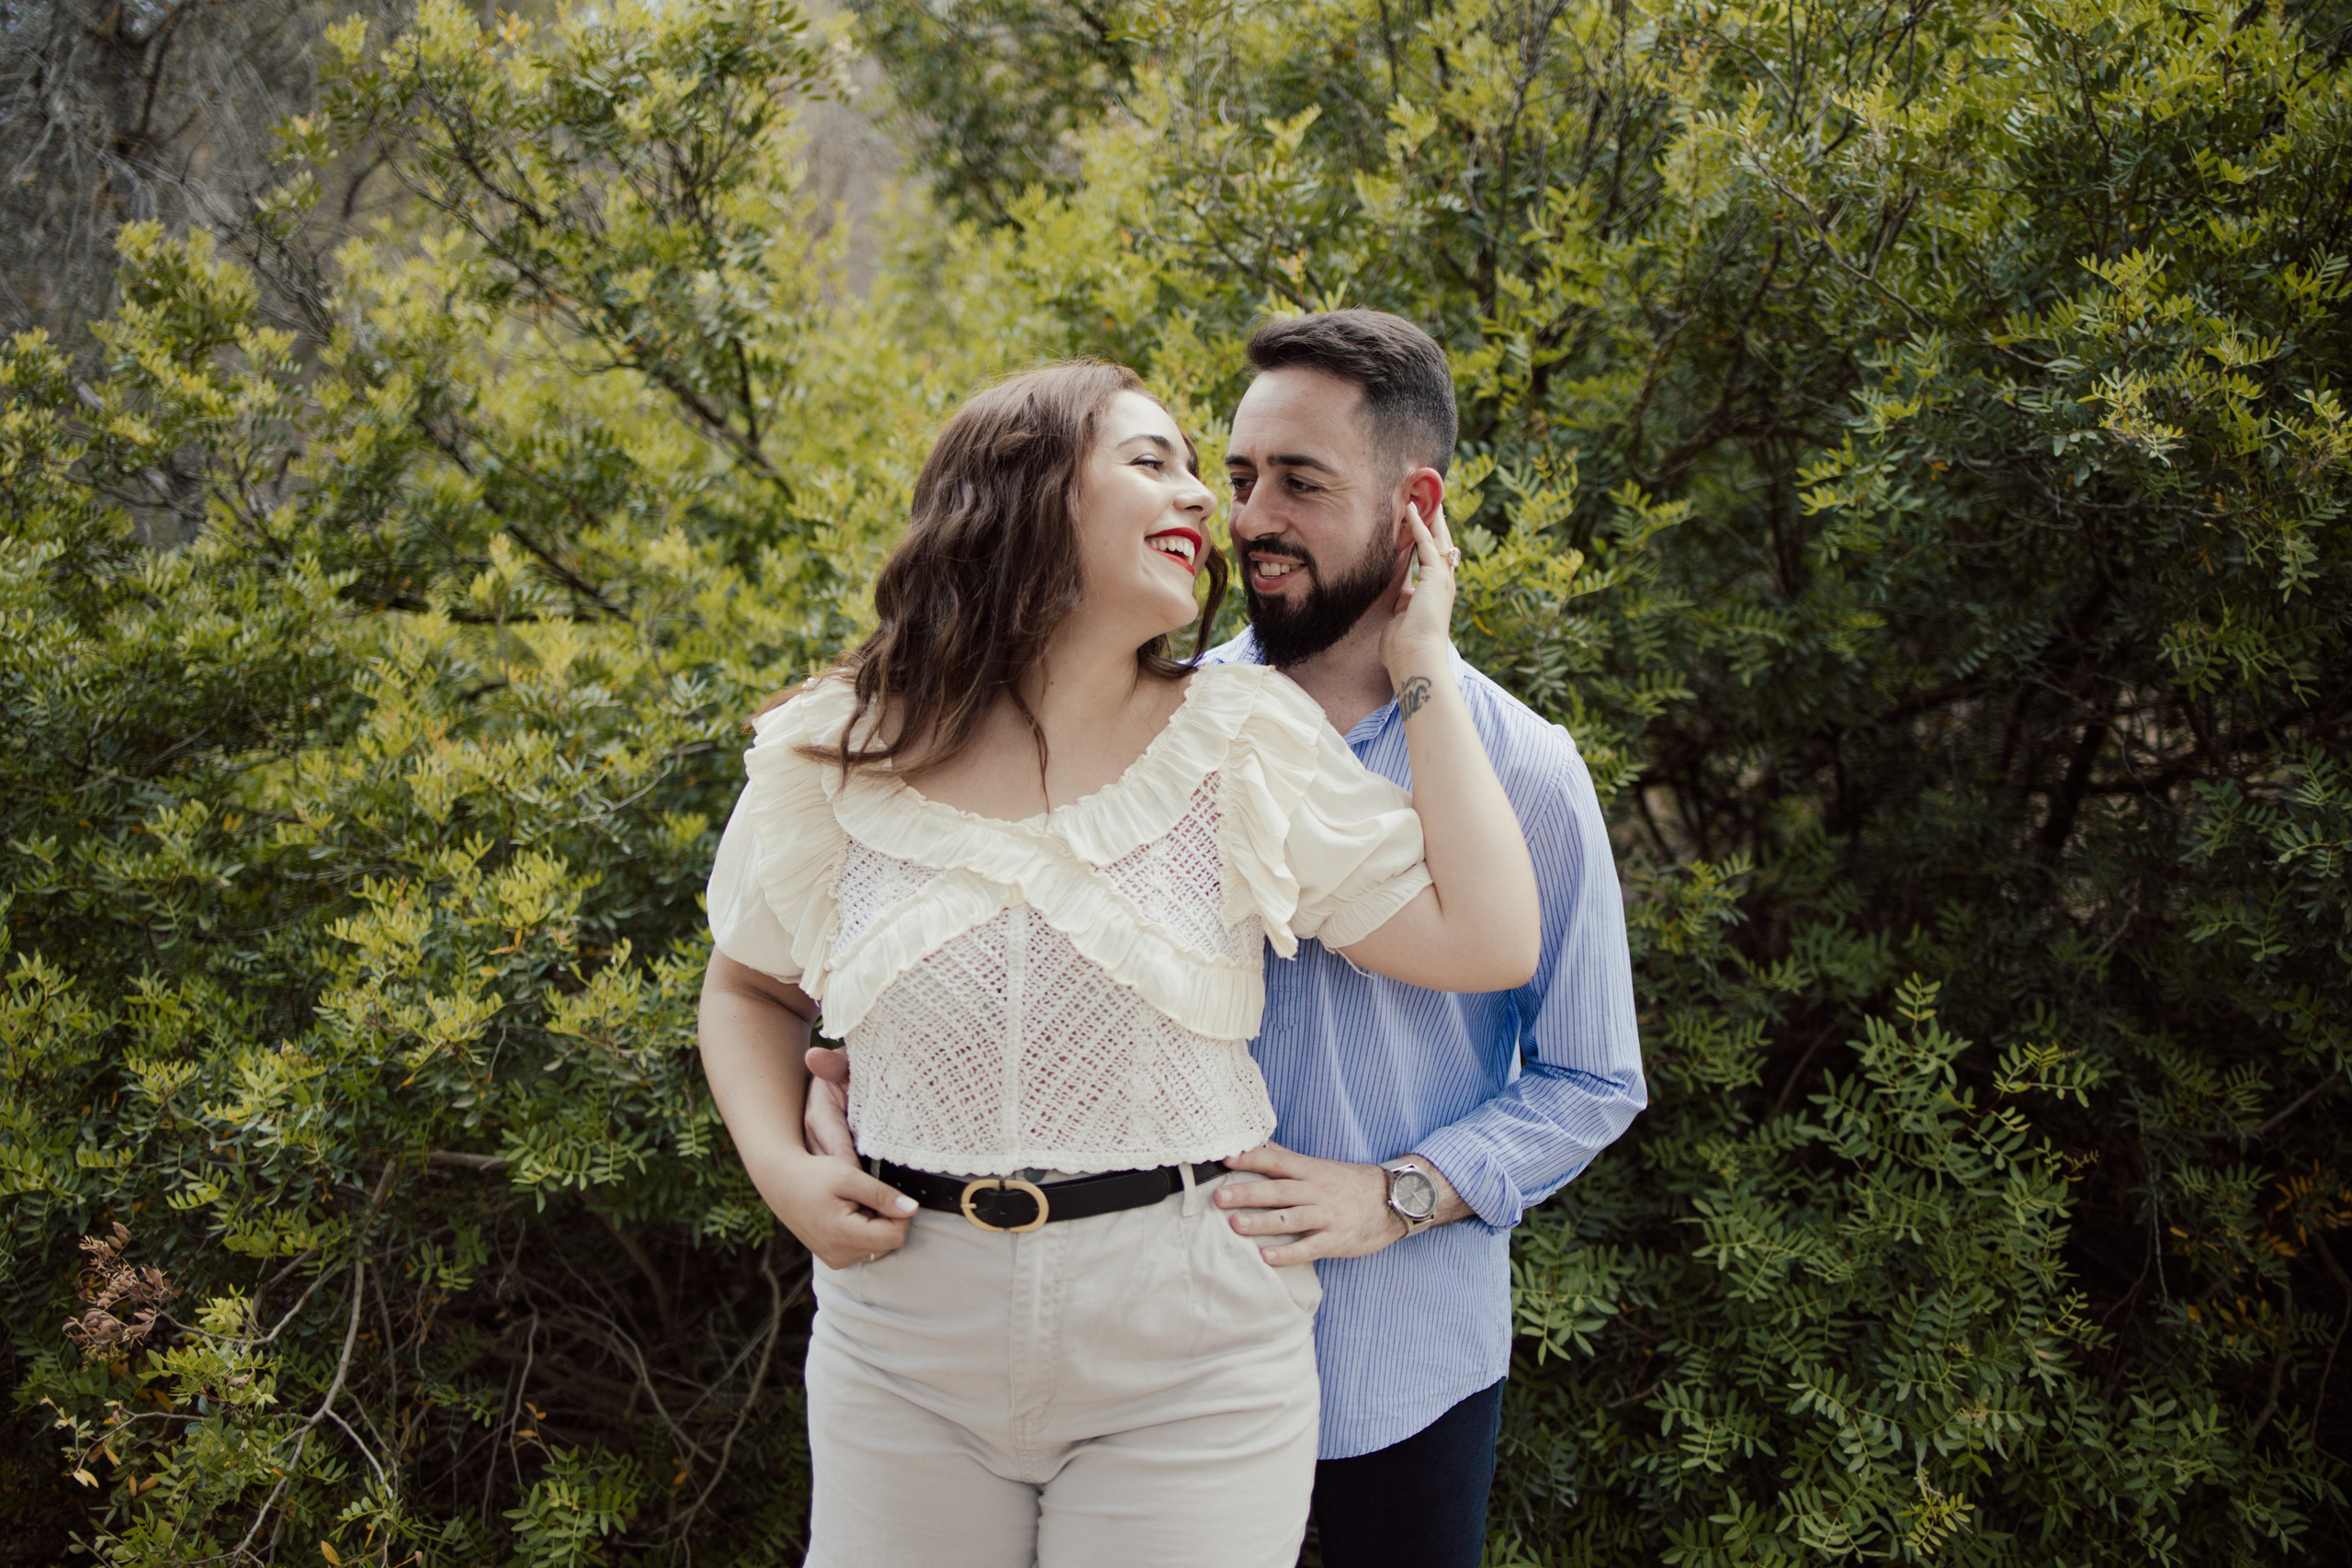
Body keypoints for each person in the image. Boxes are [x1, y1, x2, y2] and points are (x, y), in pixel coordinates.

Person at [810, 312, 1645, 1567]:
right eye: (1242, 476)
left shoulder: (1523, 770)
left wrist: (1402, 1195)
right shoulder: (1157, 719)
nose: (1250, 516)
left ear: (1414, 507)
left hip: (1393, 1366)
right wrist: (851, 1102)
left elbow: (1594, 1076)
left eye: (1302, 485)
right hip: (1116, 1353)